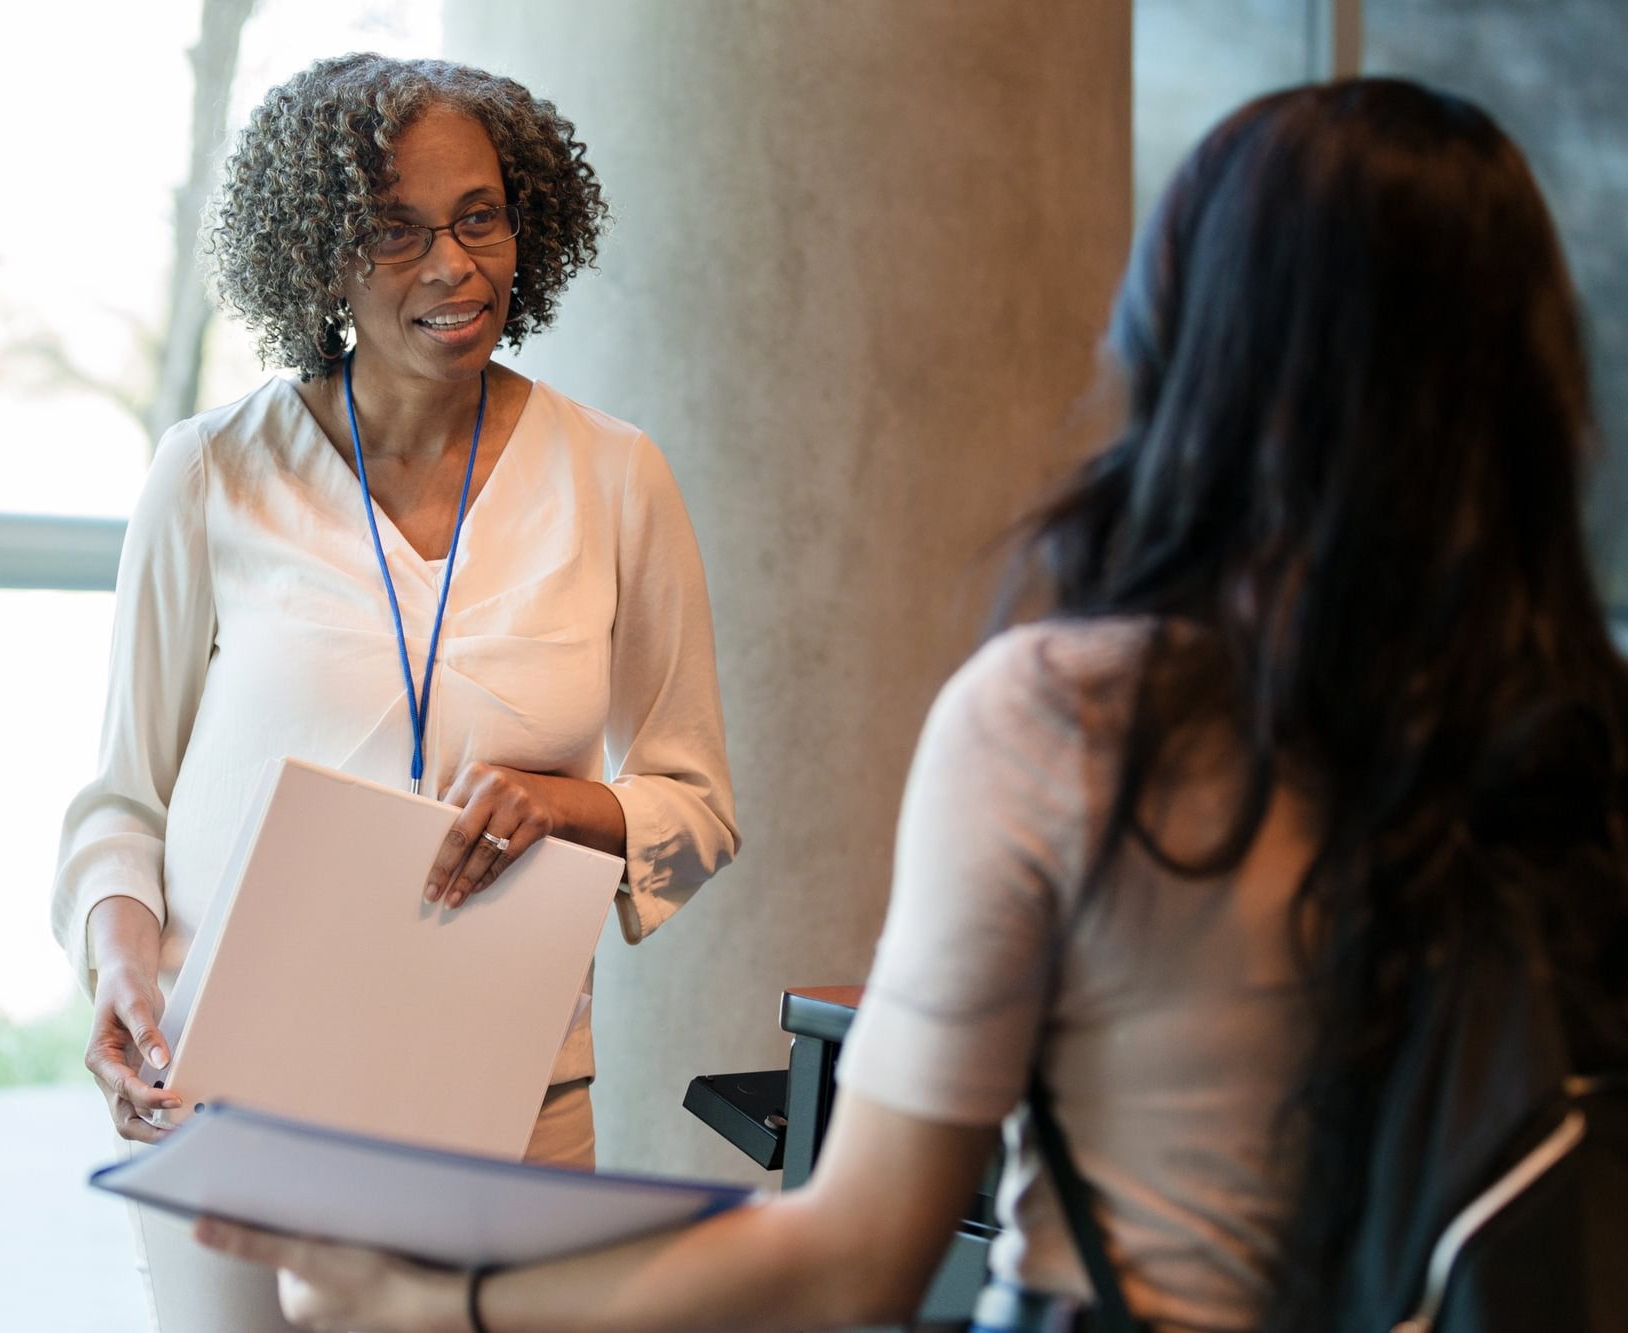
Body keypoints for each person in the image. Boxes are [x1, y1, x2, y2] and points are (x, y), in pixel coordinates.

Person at [191, 76, 1628, 1333]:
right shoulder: (1578, 732)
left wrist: (448, 1302)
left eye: (482, 214)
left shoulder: (1070, 723)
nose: (454, 260)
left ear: (1199, 341)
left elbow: (859, 1251)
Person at [50, 53, 739, 1332]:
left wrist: (562, 803)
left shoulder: (616, 477)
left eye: (480, 215)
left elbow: (693, 806)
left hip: (511, 1103)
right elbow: (120, 801)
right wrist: (119, 959)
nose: (454, 265)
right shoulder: (207, 473)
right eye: (397, 230)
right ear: (319, 254)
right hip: (236, 1095)